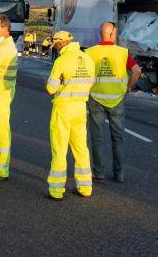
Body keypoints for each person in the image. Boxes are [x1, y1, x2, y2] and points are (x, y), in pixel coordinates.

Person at [85, 22, 142, 182]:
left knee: (97, 137)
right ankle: (119, 174)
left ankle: (99, 172)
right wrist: (128, 88)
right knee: (118, 138)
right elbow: (137, 71)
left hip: (95, 99)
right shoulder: (122, 53)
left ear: (101, 34)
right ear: (111, 34)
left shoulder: (90, 52)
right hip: (117, 100)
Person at [45, 31, 96, 200]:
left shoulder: (62, 60)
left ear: (60, 44)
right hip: (81, 108)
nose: (56, 50)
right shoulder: (87, 58)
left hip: (63, 108)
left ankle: (57, 190)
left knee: (59, 149)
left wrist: (55, 84)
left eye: (56, 46)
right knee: (81, 148)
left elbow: (51, 88)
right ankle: (85, 187)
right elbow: (91, 83)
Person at [0, 15, 18, 181]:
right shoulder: (4, 45)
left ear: (6, 28)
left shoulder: (3, 49)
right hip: (2, 93)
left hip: (0, 94)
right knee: (0, 130)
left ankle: (0, 170)